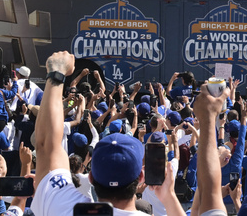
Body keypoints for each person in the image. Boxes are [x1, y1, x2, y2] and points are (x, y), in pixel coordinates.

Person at [30, 50, 186, 215]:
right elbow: (46, 145)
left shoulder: (63, 205)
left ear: (91, 177)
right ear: (141, 177)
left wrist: (57, 73)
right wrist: (168, 196)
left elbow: (45, 144)